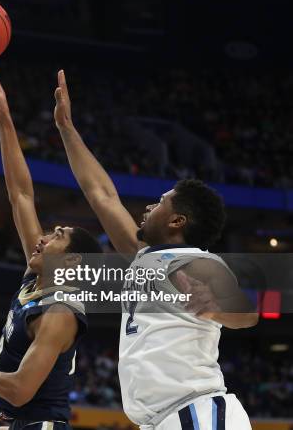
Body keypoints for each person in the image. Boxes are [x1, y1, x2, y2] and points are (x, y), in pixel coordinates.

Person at [53, 69, 258, 430]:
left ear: (177, 221)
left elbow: (247, 314)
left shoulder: (197, 263)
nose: (148, 207)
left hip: (197, 411)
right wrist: (67, 130)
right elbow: (101, 194)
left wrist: (217, 308)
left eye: (159, 202)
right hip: (160, 420)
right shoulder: (141, 256)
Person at [0, 68, 102, 430]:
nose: (43, 237)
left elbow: (20, 391)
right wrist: (4, 120)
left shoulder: (58, 312)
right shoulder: (38, 276)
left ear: (72, 260)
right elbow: (21, 196)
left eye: (56, 235)